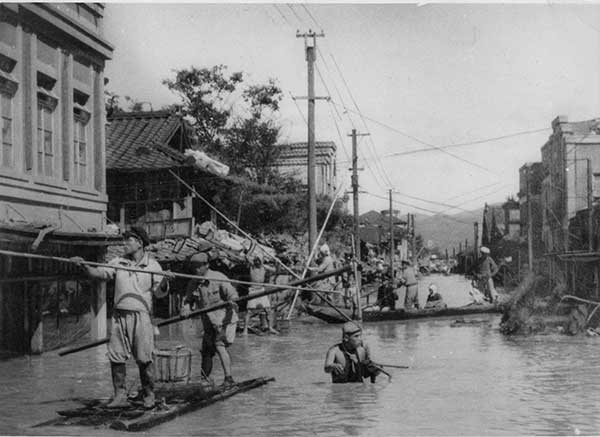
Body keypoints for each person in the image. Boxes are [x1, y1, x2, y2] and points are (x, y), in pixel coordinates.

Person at [71, 227, 173, 409]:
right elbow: (99, 274)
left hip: (141, 316)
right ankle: (120, 395)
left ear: (140, 243)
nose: (124, 244)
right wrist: (84, 266)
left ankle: (149, 394)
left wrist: (165, 280)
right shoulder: (118, 262)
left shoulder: (153, 266)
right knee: (116, 357)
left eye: (128, 241)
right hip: (119, 315)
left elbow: (159, 294)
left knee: (144, 358)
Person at [181, 252, 239, 388]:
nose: (196, 269)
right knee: (206, 350)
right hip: (208, 321)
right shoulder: (193, 282)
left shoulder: (219, 278)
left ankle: (229, 378)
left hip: (225, 319)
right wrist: (186, 308)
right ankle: (205, 379)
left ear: (206, 265)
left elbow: (233, 295)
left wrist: (232, 300)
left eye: (198, 266)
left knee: (219, 345)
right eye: (193, 267)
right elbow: (187, 300)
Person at [243, 256, 278, 335]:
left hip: (261, 290)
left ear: (261, 261)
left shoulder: (264, 268)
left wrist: (273, 263)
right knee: (249, 311)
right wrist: (253, 245)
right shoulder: (252, 266)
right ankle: (245, 330)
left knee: (268, 310)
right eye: (256, 261)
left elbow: (275, 270)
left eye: (259, 261)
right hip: (253, 290)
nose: (257, 262)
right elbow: (247, 257)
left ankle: (270, 327)